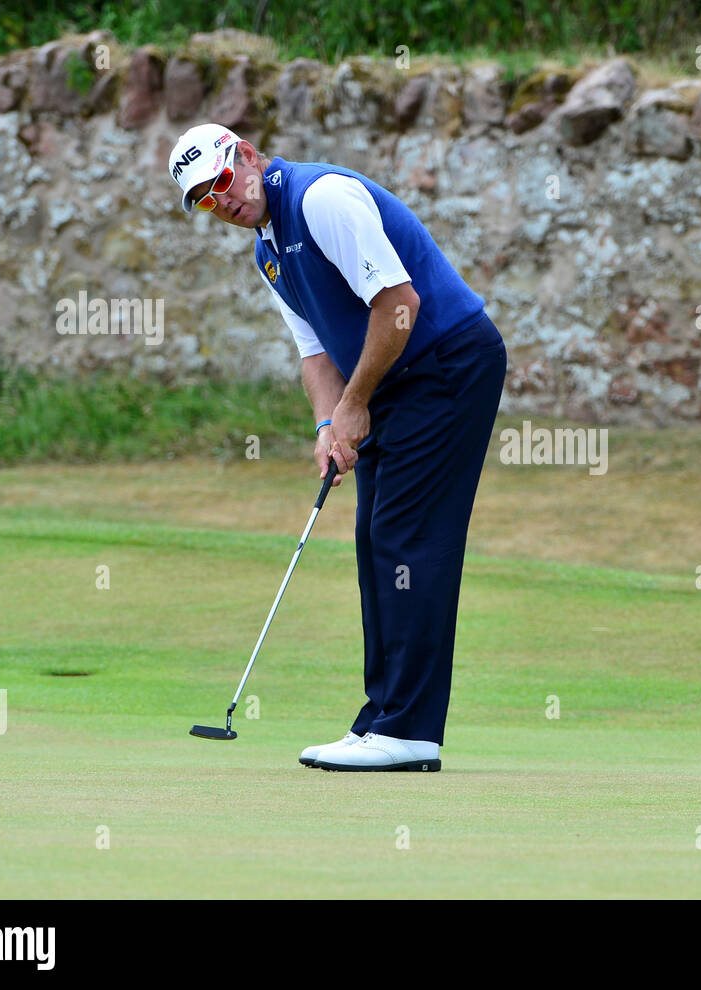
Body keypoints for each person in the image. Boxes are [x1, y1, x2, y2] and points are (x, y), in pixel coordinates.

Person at [169, 123, 506, 772]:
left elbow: (399, 306)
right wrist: (329, 425)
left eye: (221, 183)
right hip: (393, 380)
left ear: (245, 155)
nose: (223, 202)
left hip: (446, 364)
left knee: (408, 539)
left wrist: (355, 405)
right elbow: (317, 353)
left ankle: (408, 730)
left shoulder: (320, 198)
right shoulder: (268, 253)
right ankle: (380, 720)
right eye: (206, 201)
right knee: (376, 541)